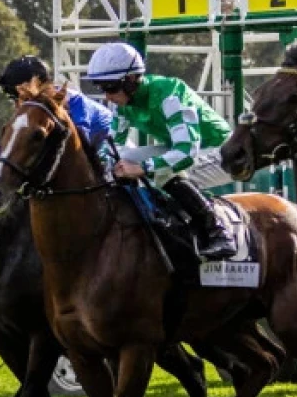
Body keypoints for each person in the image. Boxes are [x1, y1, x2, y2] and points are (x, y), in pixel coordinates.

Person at [83, 41, 237, 260]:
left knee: (164, 172)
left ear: (131, 80)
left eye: (110, 87)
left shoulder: (170, 95)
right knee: (120, 160)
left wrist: (143, 168)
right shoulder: (121, 103)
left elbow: (186, 153)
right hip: (179, 147)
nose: (107, 96)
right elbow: (113, 147)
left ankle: (218, 232)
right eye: (101, 87)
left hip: (220, 150)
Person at [0, 55, 113, 149]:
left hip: (109, 140)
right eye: (13, 99)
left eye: (20, 97)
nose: (18, 105)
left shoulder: (73, 100)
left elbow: (78, 146)